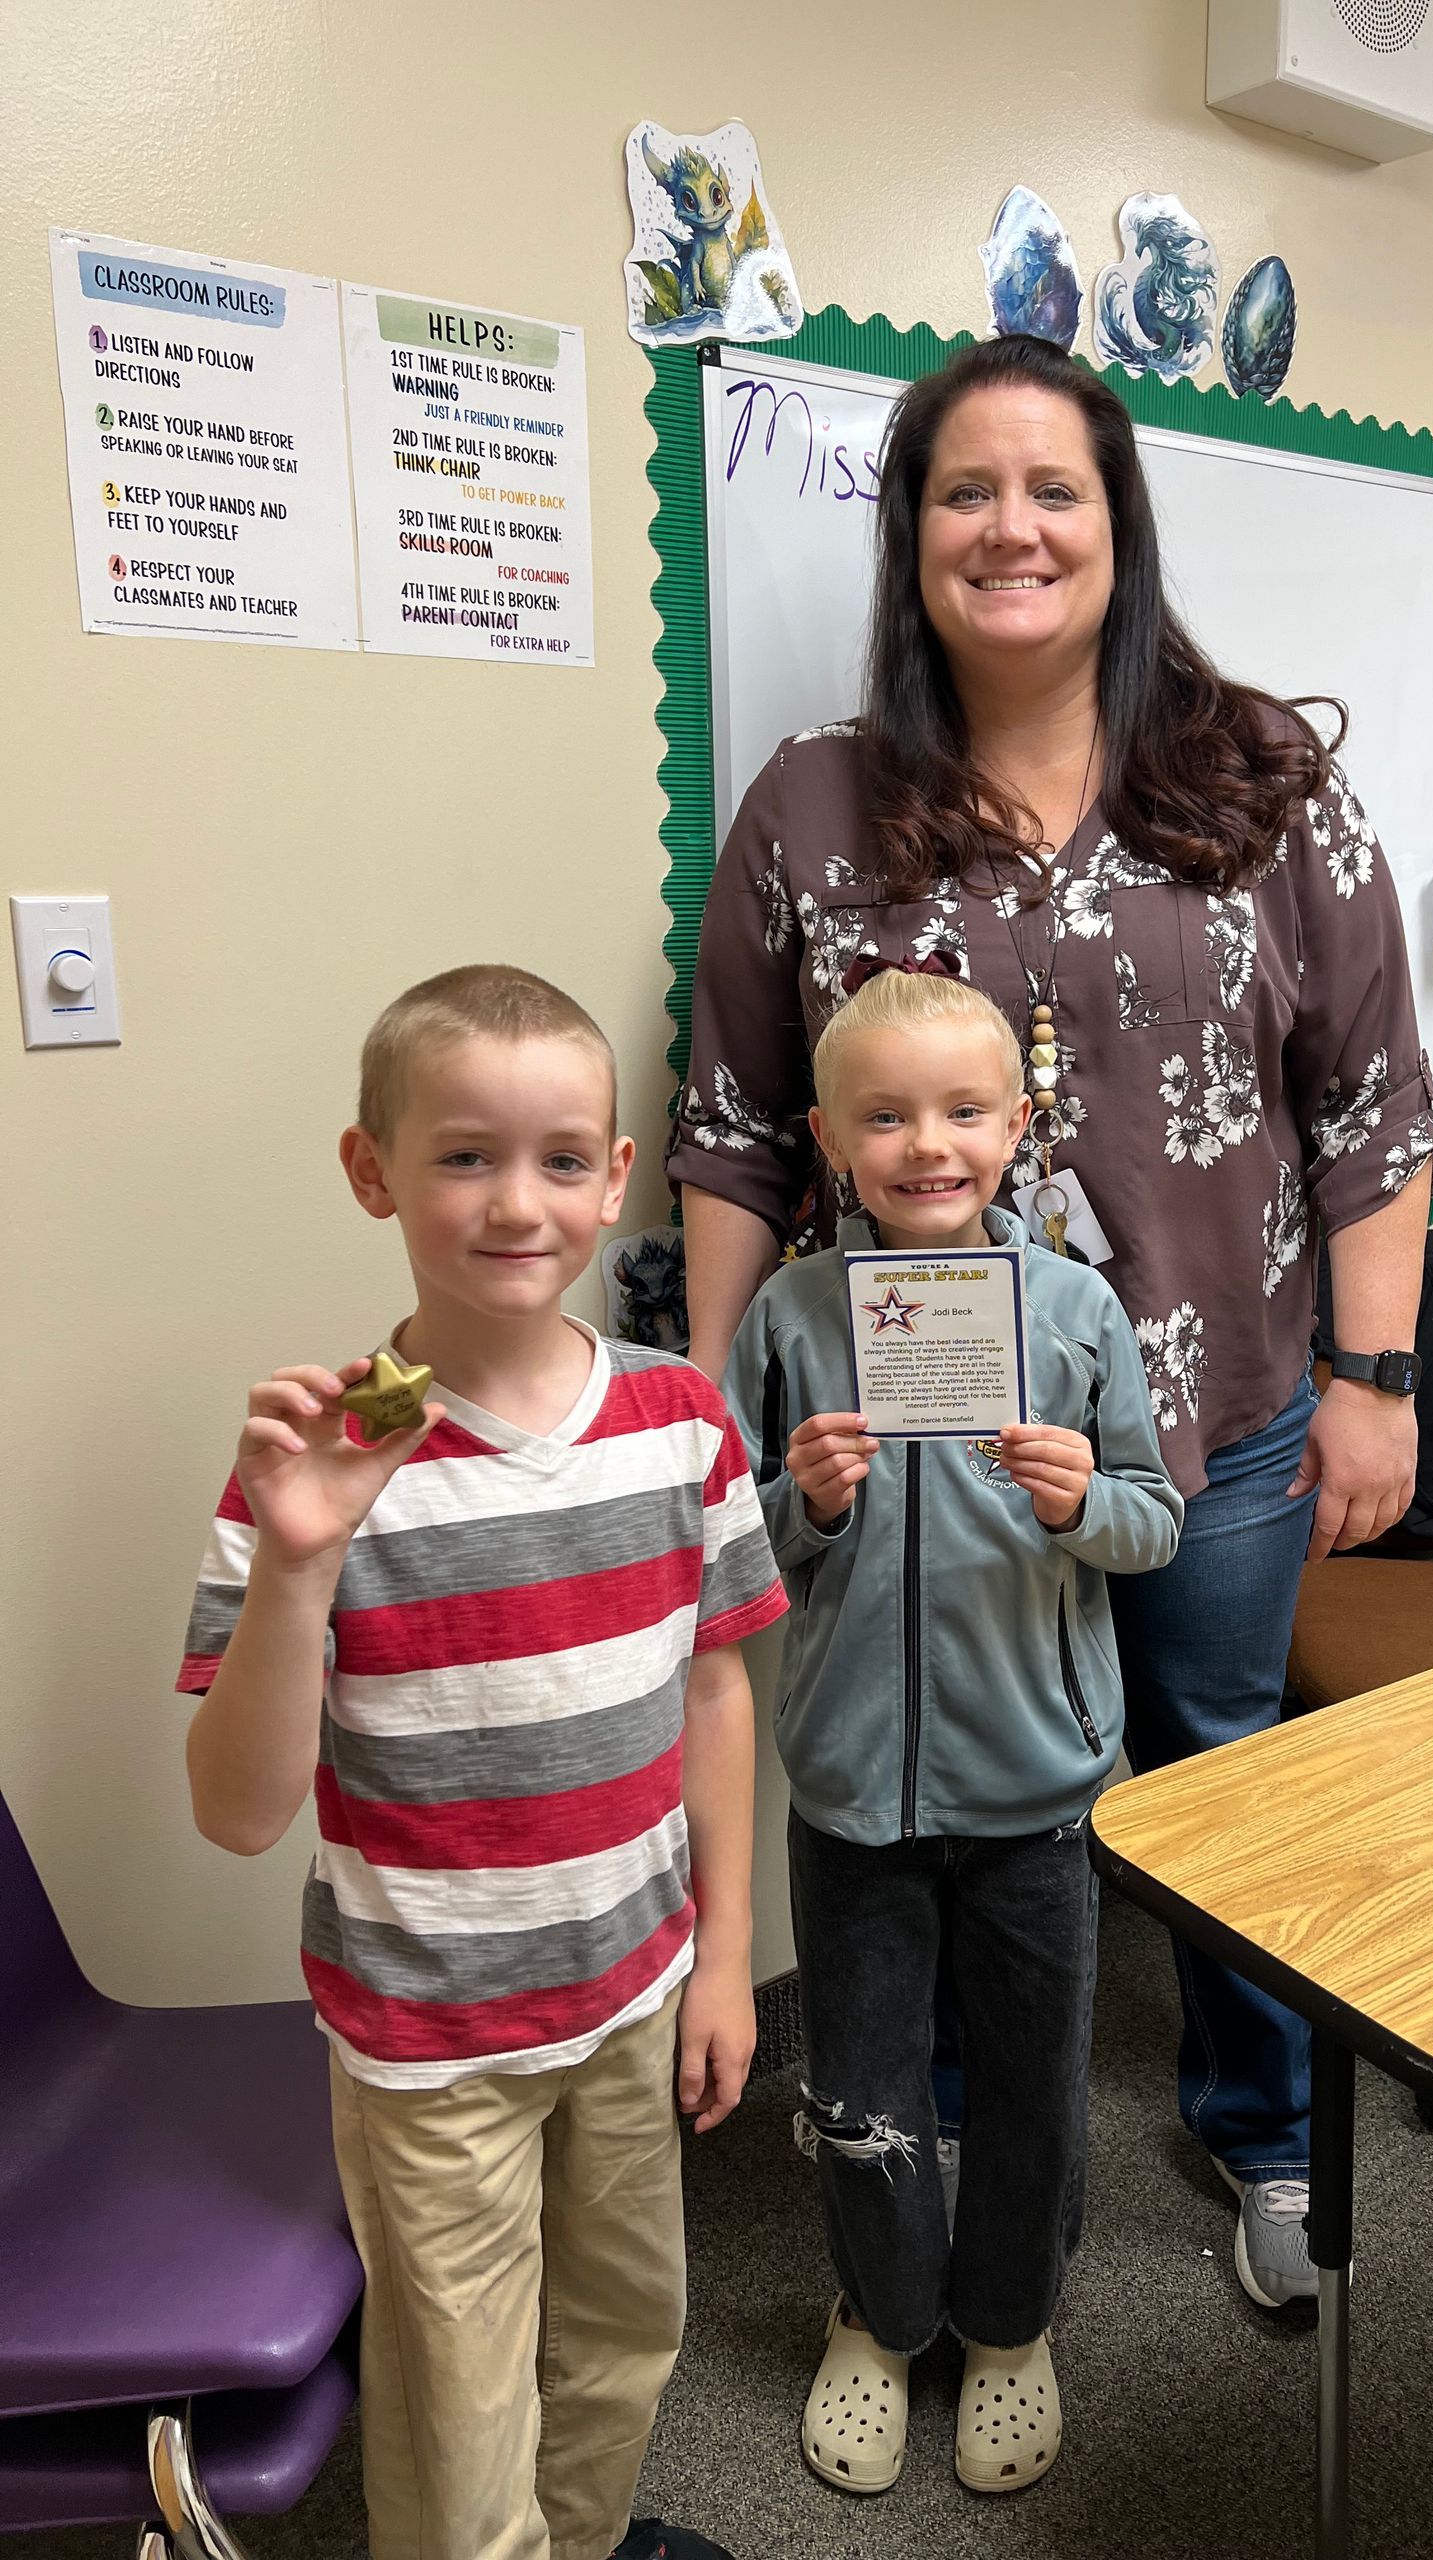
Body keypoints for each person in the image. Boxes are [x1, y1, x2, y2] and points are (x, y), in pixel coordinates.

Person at [669, 333, 1433, 2309]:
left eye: (1056, 489)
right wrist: (709, 1435)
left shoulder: (1260, 780)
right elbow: (742, 1133)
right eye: (963, 491)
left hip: (1220, 1406)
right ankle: (936, 2168)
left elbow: (1370, 1111)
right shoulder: (814, 808)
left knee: (1217, 1766)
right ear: (911, 537)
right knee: (927, 1806)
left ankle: (1262, 2129)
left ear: (1118, 526)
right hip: (902, 1452)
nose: (1011, 527)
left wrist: (1377, 1381)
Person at [178, 966, 785, 2560]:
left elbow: (715, 1699)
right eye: (463, 1157)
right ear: (371, 1172)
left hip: (635, 1994)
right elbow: (238, 1815)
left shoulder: (680, 1424)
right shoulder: (318, 1466)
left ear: (619, 1177)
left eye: (562, 1159)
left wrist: (724, 1959)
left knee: (621, 2338)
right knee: (460, 2411)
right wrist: (301, 1562)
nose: (519, 1204)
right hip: (427, 2036)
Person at [725, 962, 1181, 2495]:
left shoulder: (1074, 1309)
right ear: (829, 1134)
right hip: (852, 1789)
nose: (930, 1143)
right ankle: (880, 2312)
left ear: (1020, 1125)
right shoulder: (791, 1319)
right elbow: (732, 1558)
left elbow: (1154, 1527)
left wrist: (1081, 1502)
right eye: (888, 1115)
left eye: (965, 1110)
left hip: (1038, 1790)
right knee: (856, 2077)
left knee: (1037, 2078)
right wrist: (806, 1502)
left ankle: (1005, 2327)